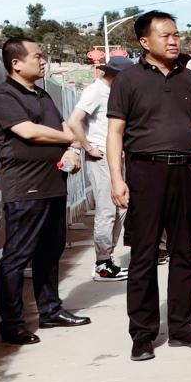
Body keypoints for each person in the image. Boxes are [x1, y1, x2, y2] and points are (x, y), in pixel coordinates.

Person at [106, 11, 191, 361]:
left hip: (186, 171)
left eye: (176, 34)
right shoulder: (128, 80)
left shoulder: (189, 78)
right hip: (145, 173)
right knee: (144, 255)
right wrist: (117, 178)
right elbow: (115, 132)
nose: (174, 40)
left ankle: (182, 327)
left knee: (185, 252)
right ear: (145, 42)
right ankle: (143, 334)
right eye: (165, 35)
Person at [0, 37, 91, 345]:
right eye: (37, 56)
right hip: (25, 188)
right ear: (16, 63)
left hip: (53, 184)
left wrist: (73, 150)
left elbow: (65, 128)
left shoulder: (42, 94)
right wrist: (68, 138)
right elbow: (28, 131)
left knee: (50, 251)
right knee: (17, 257)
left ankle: (50, 311)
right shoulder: (4, 96)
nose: (43, 60)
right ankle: (12, 324)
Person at [67, 55, 134, 281]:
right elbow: (74, 121)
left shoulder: (112, 92)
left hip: (115, 155)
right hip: (102, 156)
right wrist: (87, 147)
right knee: (107, 210)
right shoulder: (95, 91)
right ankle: (102, 264)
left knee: (120, 208)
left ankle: (107, 259)